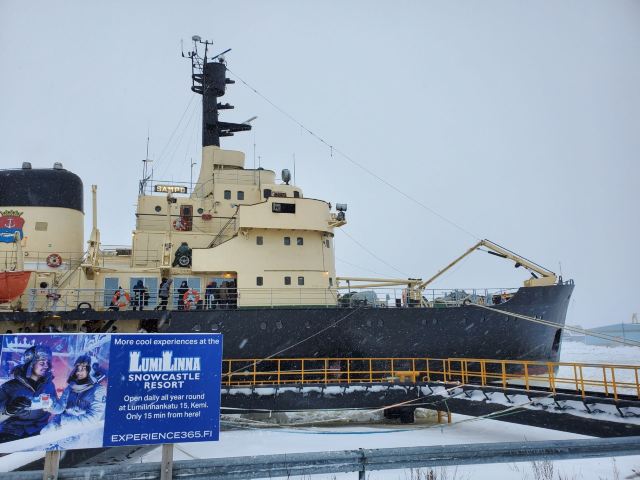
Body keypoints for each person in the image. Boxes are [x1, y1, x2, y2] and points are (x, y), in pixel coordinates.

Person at [0, 345, 63, 443]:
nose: (46, 366)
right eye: (42, 363)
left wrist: (52, 405)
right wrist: (8, 410)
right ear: (30, 364)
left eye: (48, 363)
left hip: (39, 434)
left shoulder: (49, 386)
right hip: (11, 433)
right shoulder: (9, 387)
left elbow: (59, 408)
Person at [43, 355, 106, 432]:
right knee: (44, 432)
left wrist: (65, 422)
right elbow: (61, 408)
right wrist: (50, 405)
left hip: (80, 430)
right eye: (77, 369)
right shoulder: (70, 387)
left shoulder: (98, 390)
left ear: (91, 370)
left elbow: (93, 418)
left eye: (83, 369)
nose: (78, 372)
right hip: (60, 423)